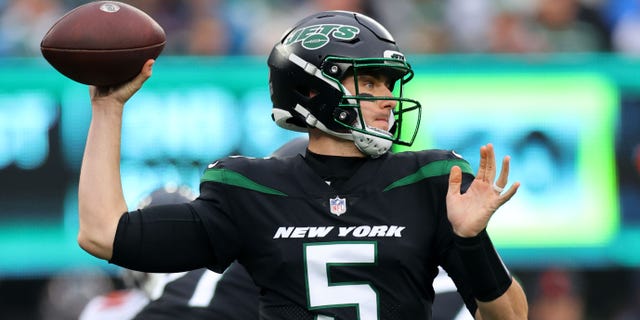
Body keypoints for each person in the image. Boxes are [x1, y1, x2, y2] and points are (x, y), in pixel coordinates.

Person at [77, 10, 528, 319]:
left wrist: (473, 243)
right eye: (369, 81)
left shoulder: (429, 181)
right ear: (312, 90)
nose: (388, 99)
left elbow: (512, 317)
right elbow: (103, 234)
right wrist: (107, 108)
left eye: (389, 84)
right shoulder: (249, 189)